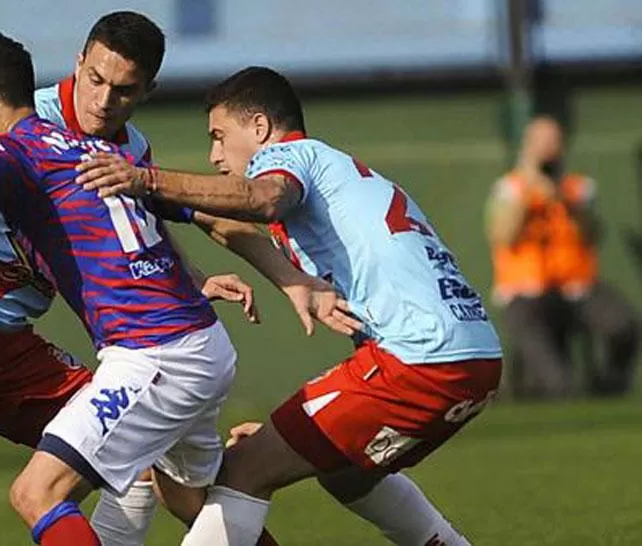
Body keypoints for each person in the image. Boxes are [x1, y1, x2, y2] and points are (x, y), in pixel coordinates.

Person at [0, 32, 354, 546]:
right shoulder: (25, 121)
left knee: (86, 480)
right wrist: (1, 198)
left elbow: (180, 218)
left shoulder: (123, 153)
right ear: (78, 64)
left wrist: (247, 278)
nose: (104, 100)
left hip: (57, 338)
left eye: (124, 91)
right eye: (96, 80)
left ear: (147, 91)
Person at [77, 66, 503, 545]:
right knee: (345, 474)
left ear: (259, 129)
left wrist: (144, 180)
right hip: (475, 359)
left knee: (243, 471)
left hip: (420, 358)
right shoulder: (344, 175)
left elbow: (265, 199)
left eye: (220, 136)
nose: (215, 155)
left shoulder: (291, 156)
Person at [485, 115, 638, 399]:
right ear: (527, 146)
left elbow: (592, 235)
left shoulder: (578, 188)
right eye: (541, 142)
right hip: (525, 294)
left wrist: (563, 198)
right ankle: (531, 391)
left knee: (622, 324)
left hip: (577, 289)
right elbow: (502, 235)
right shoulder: (509, 189)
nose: (548, 149)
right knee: (558, 385)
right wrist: (529, 190)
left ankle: (610, 387)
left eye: (553, 142)